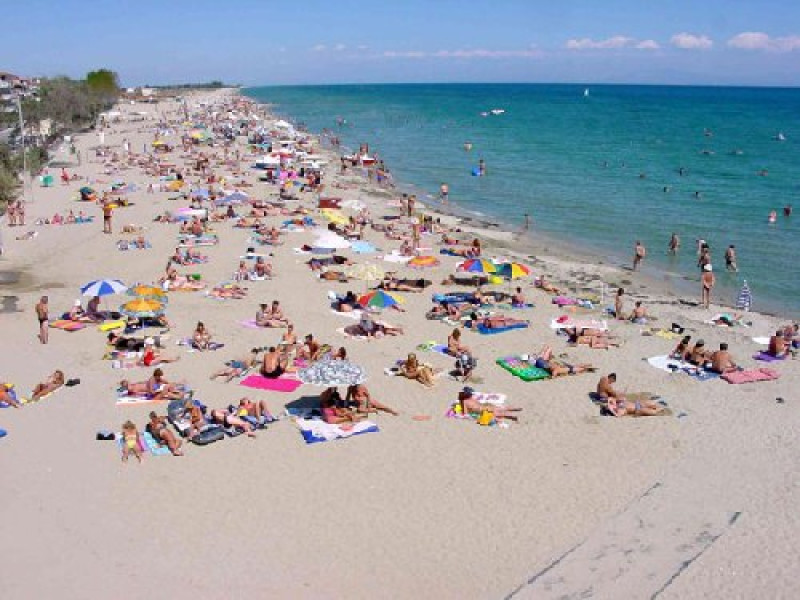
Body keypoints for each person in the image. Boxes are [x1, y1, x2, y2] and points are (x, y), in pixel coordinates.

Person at [596, 373, 666, 417]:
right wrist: (617, 400)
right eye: (612, 382)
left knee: (651, 403)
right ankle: (660, 408)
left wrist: (618, 398)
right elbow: (619, 414)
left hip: (636, 403)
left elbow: (613, 396)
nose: (611, 383)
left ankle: (658, 403)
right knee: (654, 411)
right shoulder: (620, 410)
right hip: (638, 409)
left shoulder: (613, 402)